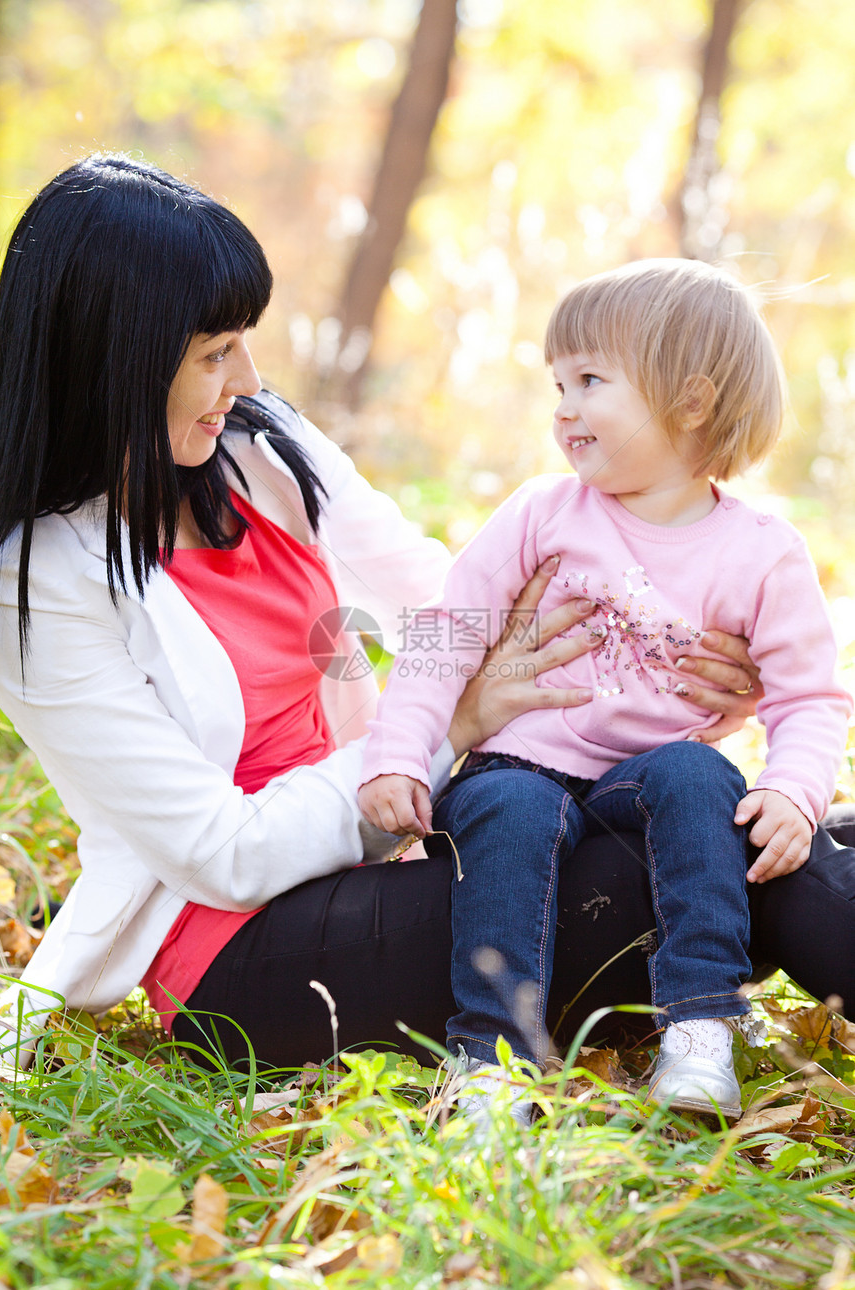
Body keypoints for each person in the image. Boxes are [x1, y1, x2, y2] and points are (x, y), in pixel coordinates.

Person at [0, 158, 852, 1093]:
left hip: (404, 850)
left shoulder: (255, 444)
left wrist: (644, 654)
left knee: (749, 824)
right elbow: (222, 854)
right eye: (214, 353)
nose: (248, 377)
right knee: (713, 854)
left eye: (245, 342)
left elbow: (439, 604)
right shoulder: (34, 585)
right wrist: (451, 727)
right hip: (249, 954)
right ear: (114, 358)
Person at [359, 259, 853, 1118]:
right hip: (520, 764)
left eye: (590, 380)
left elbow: (809, 699)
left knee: (703, 779)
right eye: (558, 383)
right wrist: (399, 751)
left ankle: (700, 1027)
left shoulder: (763, 554)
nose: (563, 408)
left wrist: (793, 788)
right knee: (511, 813)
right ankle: (492, 1062)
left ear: (691, 402)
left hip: (646, 780)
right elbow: (446, 634)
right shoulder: (545, 512)